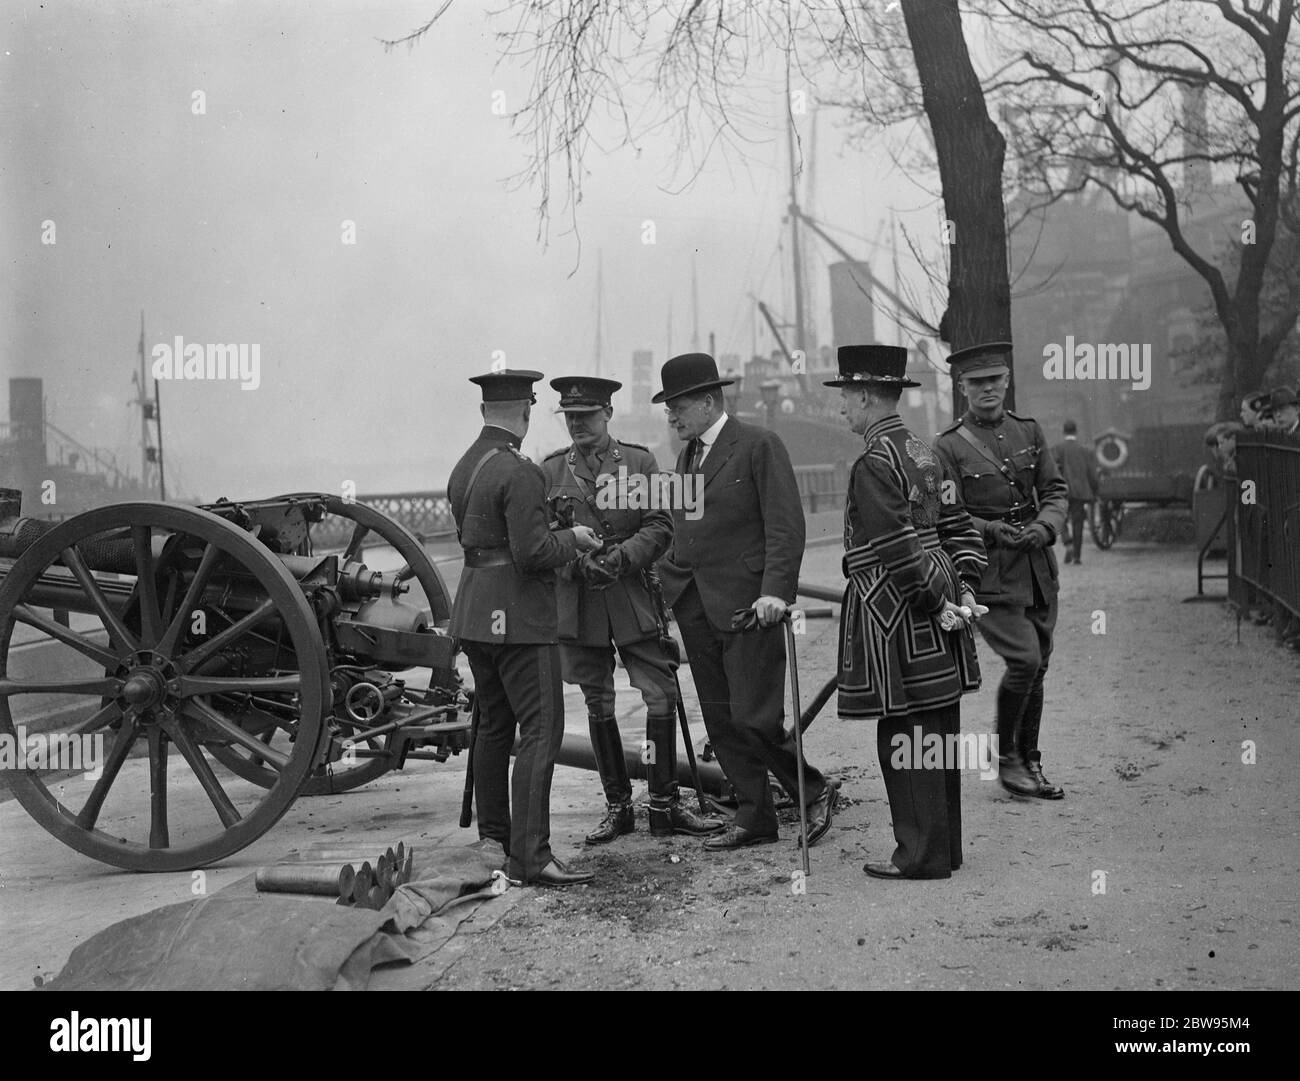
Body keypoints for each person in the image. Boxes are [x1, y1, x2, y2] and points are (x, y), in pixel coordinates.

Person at [655, 352, 839, 850]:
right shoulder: (687, 456)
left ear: (710, 400)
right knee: (720, 719)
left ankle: (813, 790)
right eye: (668, 407)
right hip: (696, 607)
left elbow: (786, 527)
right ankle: (755, 817)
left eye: (678, 406)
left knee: (754, 717)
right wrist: (668, 588)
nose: (671, 416)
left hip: (748, 608)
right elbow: (686, 534)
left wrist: (775, 594)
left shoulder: (759, 445)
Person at [828, 345, 988, 880]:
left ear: (869, 396)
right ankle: (945, 851)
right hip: (936, 591)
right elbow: (960, 527)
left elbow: (896, 547)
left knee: (905, 730)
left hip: (897, 608)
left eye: (846, 397)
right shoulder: (926, 452)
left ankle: (918, 856)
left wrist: (933, 601)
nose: (843, 408)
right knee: (937, 723)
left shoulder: (874, 462)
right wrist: (963, 589)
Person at [540, 375, 722, 843]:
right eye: (571, 418)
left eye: (587, 416)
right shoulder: (551, 471)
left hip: (631, 595)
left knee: (660, 693)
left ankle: (664, 806)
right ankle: (618, 808)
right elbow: (541, 540)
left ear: (608, 414)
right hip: (579, 601)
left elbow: (661, 525)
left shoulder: (639, 462)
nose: (578, 425)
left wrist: (621, 559)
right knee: (597, 700)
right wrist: (576, 562)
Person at [448, 369, 602, 888]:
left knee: (493, 726)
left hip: (474, 613)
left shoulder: (464, 466)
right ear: (527, 410)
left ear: (485, 410)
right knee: (542, 731)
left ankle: (494, 842)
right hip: (519, 620)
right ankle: (532, 857)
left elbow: (484, 543)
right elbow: (532, 553)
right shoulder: (521, 471)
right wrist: (574, 538)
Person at [934, 342, 1069, 800]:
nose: (987, 389)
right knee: (1025, 660)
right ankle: (1006, 758)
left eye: (995, 380)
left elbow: (1054, 490)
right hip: (987, 575)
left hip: (1036, 569)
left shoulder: (1028, 432)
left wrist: (1045, 527)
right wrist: (990, 528)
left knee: (1040, 665)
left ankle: (1030, 761)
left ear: (1007, 382)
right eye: (977, 383)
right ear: (962, 388)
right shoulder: (948, 446)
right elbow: (944, 514)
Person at [1051, 419, 1100, 565]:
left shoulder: (1056, 449)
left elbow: (1052, 471)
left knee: (1060, 519)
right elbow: (1092, 474)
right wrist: (1094, 491)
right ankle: (1077, 556)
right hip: (1079, 492)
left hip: (1062, 492)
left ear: (1063, 431)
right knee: (1078, 523)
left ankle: (1068, 543)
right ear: (1076, 432)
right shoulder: (1085, 450)